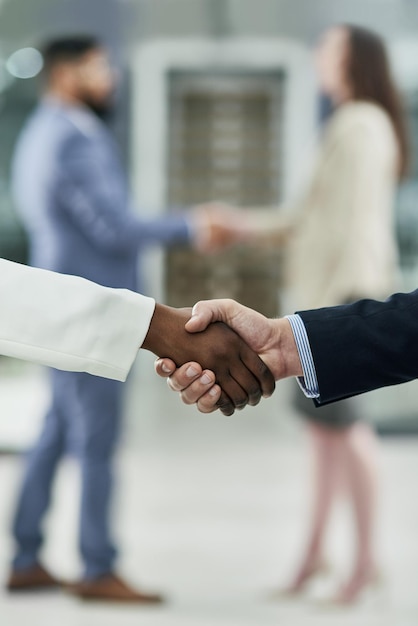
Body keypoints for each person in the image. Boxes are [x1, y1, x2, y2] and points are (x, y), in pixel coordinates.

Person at [157, 25, 410, 604]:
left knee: (350, 437)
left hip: (342, 298)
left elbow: (348, 225)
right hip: (329, 299)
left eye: (329, 46)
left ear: (352, 57)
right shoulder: (354, 121)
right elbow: (310, 218)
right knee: (326, 438)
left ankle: (365, 561)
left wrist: (334, 317)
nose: (319, 55)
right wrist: (242, 227)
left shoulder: (359, 123)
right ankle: (315, 553)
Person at [7, 35, 227, 602]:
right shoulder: (72, 138)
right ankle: (98, 566)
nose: (110, 77)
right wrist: (190, 225)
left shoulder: (41, 133)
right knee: (96, 439)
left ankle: (26, 555)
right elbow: (112, 227)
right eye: (97, 67)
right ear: (64, 74)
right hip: (90, 309)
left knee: (57, 430)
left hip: (60, 305)